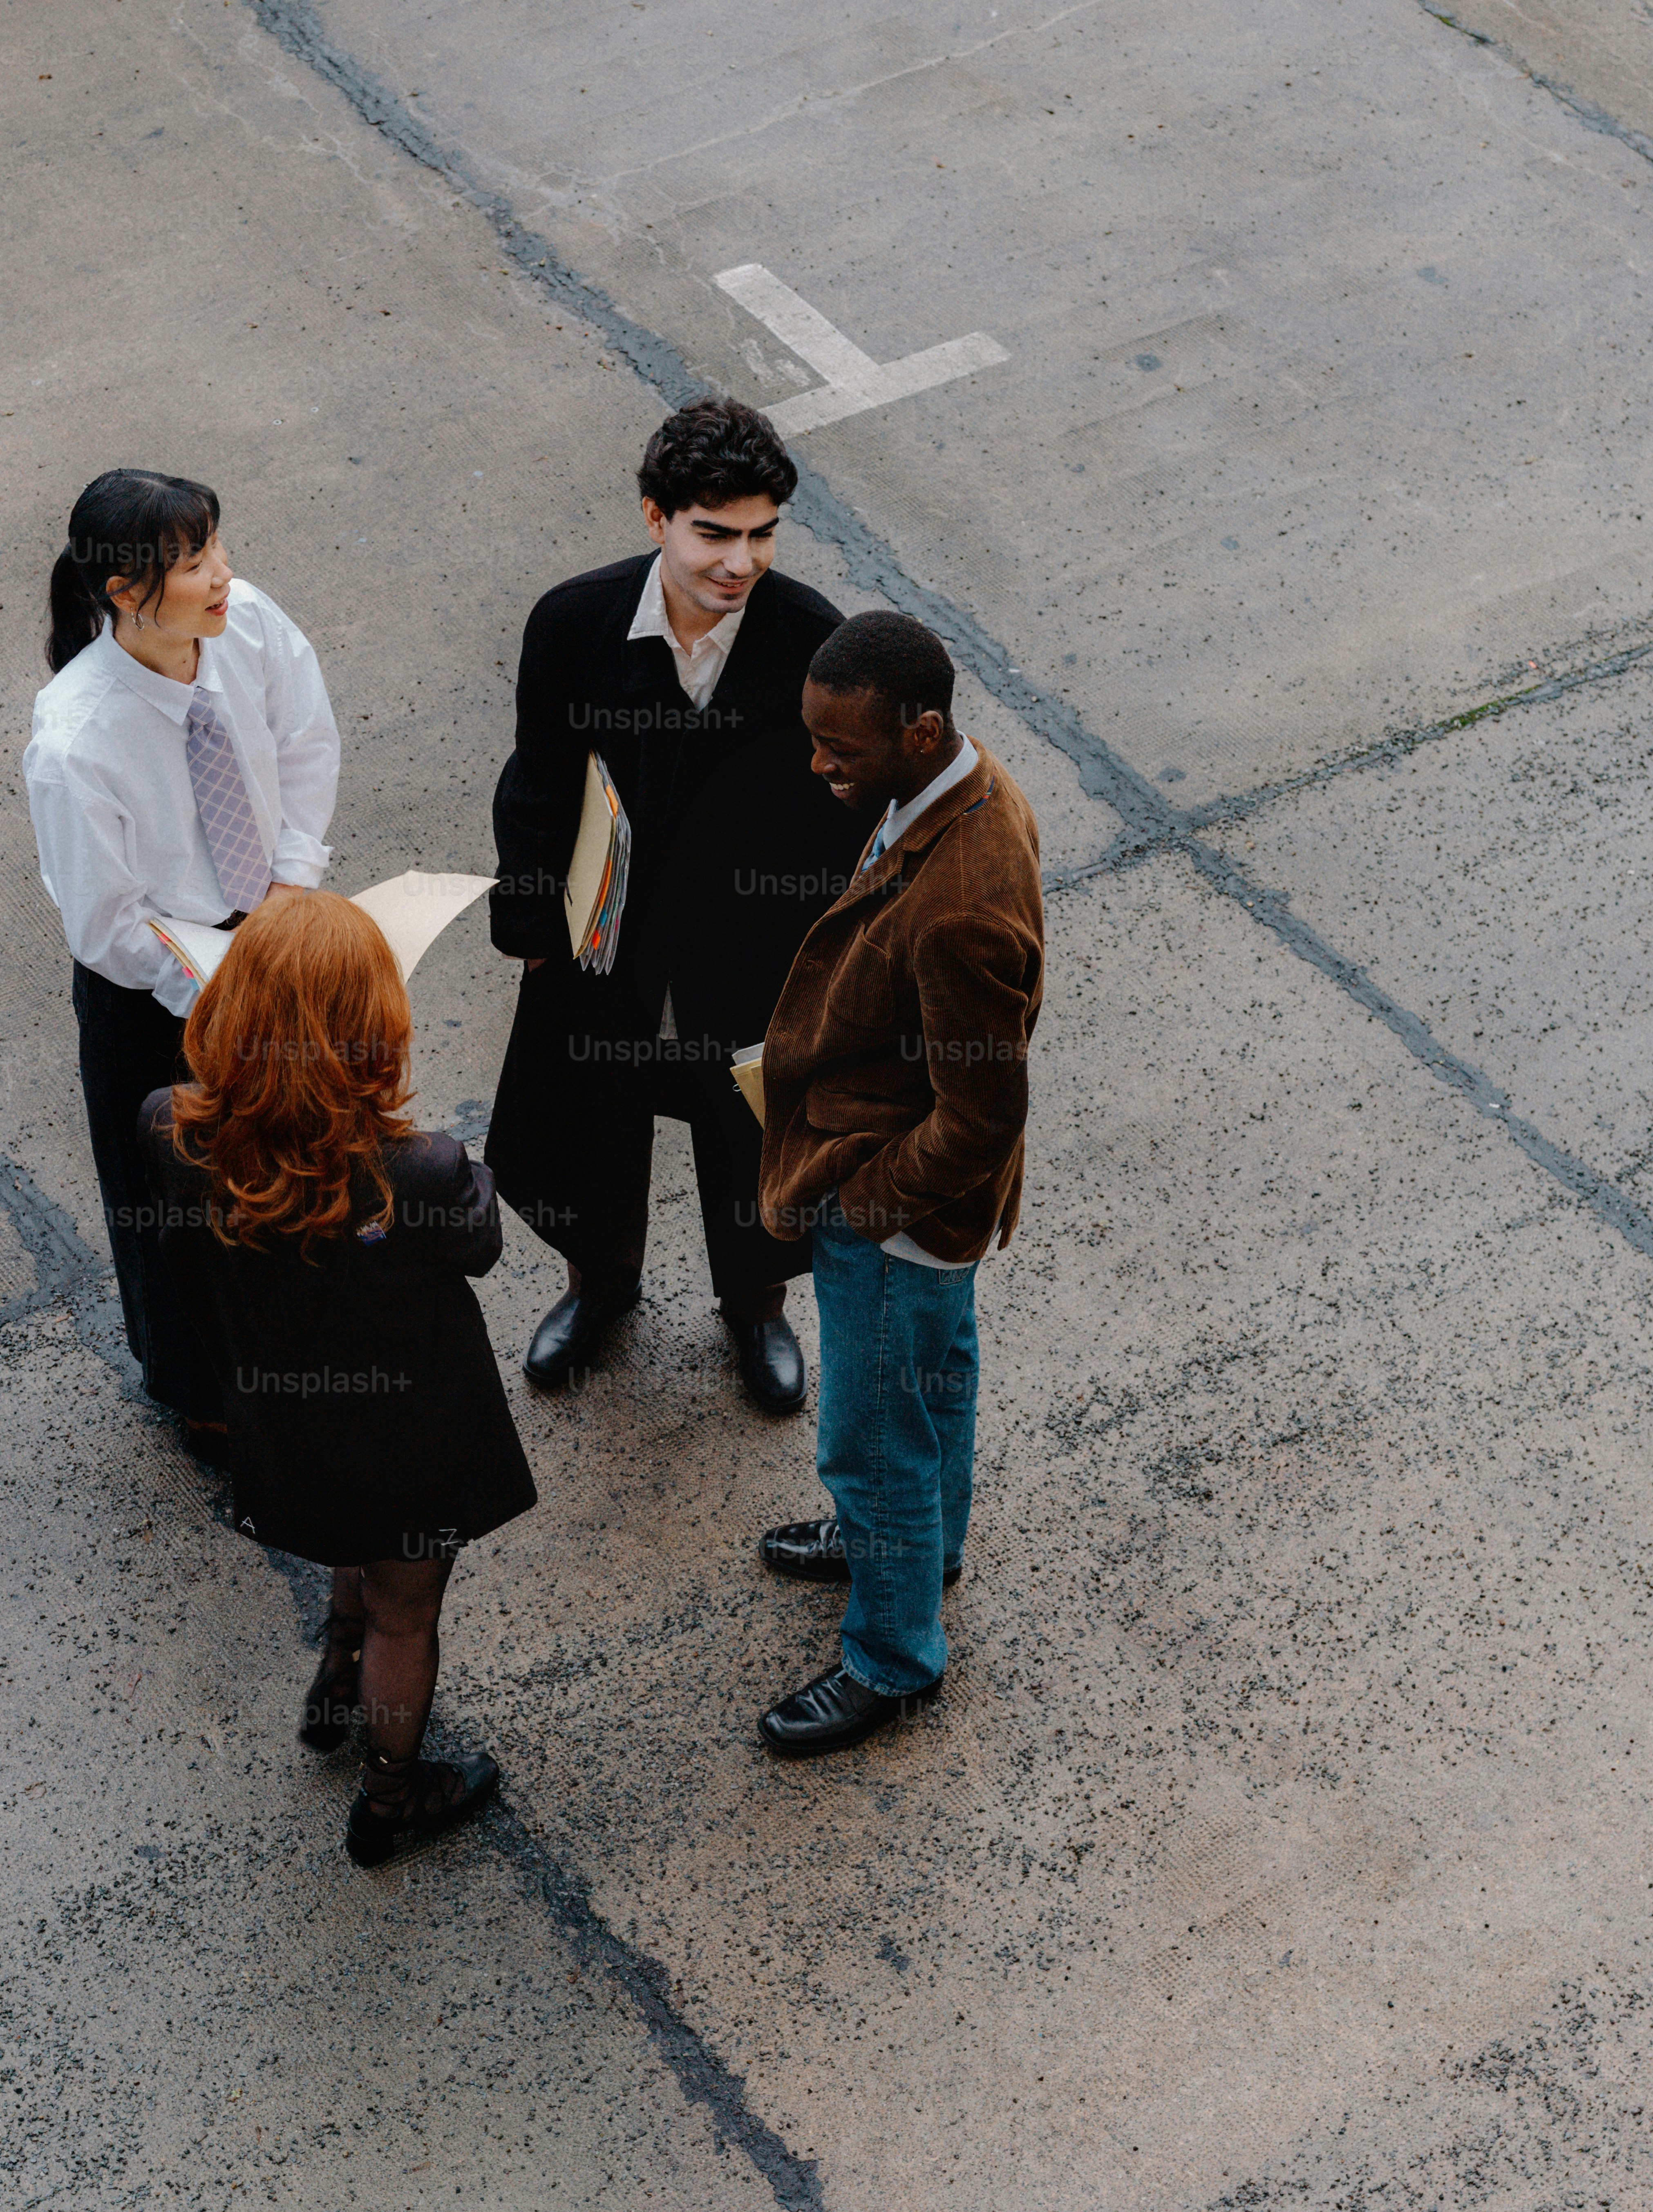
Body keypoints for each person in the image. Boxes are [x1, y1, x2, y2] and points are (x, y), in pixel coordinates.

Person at [485, 397, 864, 1413]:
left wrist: (817, 969)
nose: (740, 562)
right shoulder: (575, 622)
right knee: (591, 1124)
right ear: (655, 518)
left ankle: (756, 1308)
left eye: (761, 534)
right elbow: (537, 782)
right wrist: (531, 938)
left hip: (749, 957)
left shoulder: (809, 642)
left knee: (749, 1138)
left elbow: (842, 821)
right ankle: (597, 1291)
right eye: (714, 534)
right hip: (606, 947)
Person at [141, 891, 533, 1866]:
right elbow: (479, 1249)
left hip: (287, 1425)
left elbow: (185, 1275)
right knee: (410, 1608)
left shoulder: (172, 1133)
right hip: (413, 1436)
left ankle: (336, 1675)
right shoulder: (421, 1170)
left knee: (344, 1542)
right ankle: (391, 1801)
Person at [748, 612, 1045, 1756]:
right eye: (815, 739)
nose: (821, 765)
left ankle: (893, 1653)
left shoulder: (961, 896)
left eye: (843, 748)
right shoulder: (955, 793)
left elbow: (981, 1111)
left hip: (899, 1214)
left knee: (879, 1437)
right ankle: (920, 1550)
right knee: (934, 1392)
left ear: (921, 733)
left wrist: (865, 1204)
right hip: (914, 1207)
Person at [23, 469, 340, 1454]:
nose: (223, 576)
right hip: (157, 990)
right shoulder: (75, 742)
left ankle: (301, 1350)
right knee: (168, 1200)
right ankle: (199, 1390)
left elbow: (304, 744)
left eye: (218, 548)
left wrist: (287, 891)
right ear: (124, 591)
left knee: (293, 1158)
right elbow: (107, 923)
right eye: (196, 561)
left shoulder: (245, 625)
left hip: (271, 929)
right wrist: (224, 985)